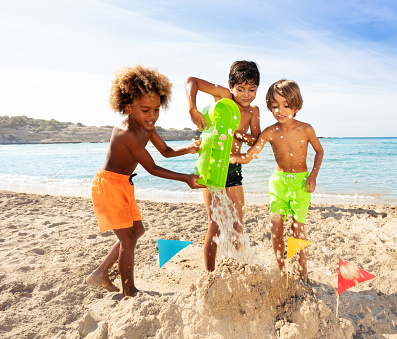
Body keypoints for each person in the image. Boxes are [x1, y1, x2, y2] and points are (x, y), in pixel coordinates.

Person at [86, 65, 205, 297]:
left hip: (124, 184)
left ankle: (99, 273)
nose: (152, 116)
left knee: (136, 231)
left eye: (157, 110)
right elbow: (151, 167)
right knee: (128, 239)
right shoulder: (127, 132)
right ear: (128, 107)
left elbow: (167, 151)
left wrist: (189, 148)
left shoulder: (147, 127)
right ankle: (129, 291)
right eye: (145, 110)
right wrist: (187, 179)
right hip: (109, 185)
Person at [230, 79, 324, 281]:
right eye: (274, 106)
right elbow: (248, 156)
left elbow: (319, 151)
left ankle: (302, 270)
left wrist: (313, 176)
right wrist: (228, 157)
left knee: (297, 228)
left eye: (286, 105)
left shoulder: (306, 129)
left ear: (297, 106)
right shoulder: (270, 132)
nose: (280, 110)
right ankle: (281, 269)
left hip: (301, 183)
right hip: (278, 182)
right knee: (276, 226)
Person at [185, 61, 261, 271]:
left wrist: (238, 134)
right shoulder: (223, 97)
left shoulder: (253, 111)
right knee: (215, 224)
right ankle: (209, 273)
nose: (246, 94)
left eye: (252, 89)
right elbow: (192, 81)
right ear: (230, 86)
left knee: (237, 223)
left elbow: (255, 139)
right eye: (241, 89)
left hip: (234, 169)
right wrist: (193, 108)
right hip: (212, 168)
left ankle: (239, 268)